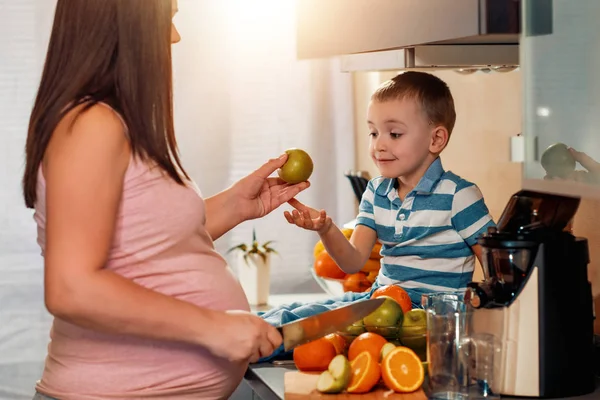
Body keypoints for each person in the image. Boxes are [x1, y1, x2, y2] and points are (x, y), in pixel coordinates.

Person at [23, 1, 309, 399]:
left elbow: (142, 243)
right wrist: (215, 326)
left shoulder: (111, 122)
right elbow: (71, 287)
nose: (175, 35)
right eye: (169, 18)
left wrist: (236, 204)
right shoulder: (90, 125)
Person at [285, 72, 495, 305]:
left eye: (394, 134)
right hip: (380, 306)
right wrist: (326, 229)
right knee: (292, 316)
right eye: (373, 133)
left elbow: (496, 269)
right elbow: (353, 261)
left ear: (435, 139)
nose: (379, 145)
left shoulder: (459, 196)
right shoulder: (376, 192)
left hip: (431, 320)